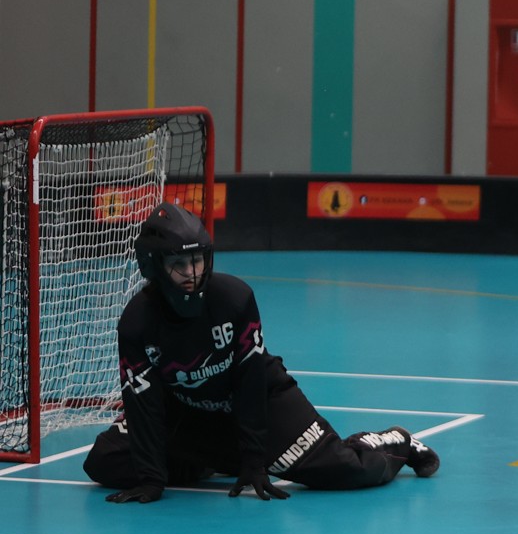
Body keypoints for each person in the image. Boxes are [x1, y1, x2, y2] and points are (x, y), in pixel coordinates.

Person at [83, 202, 439, 502]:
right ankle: (214, 460)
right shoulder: (136, 324)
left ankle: (398, 441)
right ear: (154, 267)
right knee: (105, 461)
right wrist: (151, 479)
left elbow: (250, 381)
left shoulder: (235, 300)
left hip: (263, 400)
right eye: (179, 265)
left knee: (347, 470)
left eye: (198, 261)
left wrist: (254, 458)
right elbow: (143, 403)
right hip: (189, 412)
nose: (192, 273)